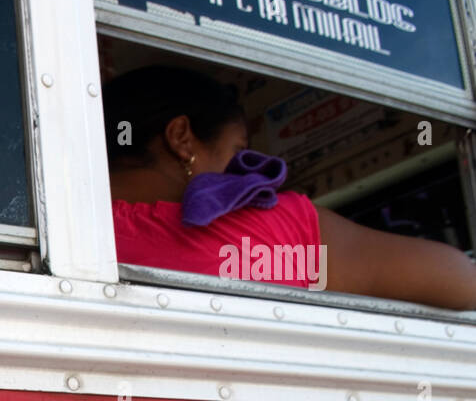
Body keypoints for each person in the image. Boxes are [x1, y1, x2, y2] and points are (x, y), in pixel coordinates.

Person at [103, 65, 476, 311]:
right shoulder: (269, 231)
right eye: (238, 154)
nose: (241, 177)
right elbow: (461, 282)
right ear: (182, 138)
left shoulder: (60, 231)